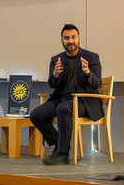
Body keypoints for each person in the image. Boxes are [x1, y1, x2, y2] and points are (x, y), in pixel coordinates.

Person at [30, 24, 103, 165]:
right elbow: (52, 84)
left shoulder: (91, 57)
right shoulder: (56, 59)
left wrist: (88, 72)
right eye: (67, 38)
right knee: (36, 115)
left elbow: (97, 83)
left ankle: (63, 154)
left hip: (84, 102)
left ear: (79, 39)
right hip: (62, 100)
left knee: (63, 108)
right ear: (62, 40)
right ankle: (59, 144)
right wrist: (55, 75)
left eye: (73, 37)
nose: (70, 41)